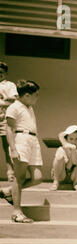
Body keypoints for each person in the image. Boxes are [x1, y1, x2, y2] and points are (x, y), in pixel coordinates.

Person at [0, 80, 42, 223]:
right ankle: (16, 212)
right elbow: (9, 129)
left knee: (37, 177)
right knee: (19, 177)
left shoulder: (29, 108)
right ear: (27, 95)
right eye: (36, 95)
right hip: (21, 140)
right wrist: (13, 149)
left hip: (32, 140)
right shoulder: (14, 107)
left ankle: (8, 191)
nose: (38, 97)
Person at [50, 125, 77, 191]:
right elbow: (67, 167)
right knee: (59, 157)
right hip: (62, 175)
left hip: (74, 175)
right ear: (66, 139)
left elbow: (75, 162)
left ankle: (75, 183)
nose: (74, 141)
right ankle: (56, 182)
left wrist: (73, 149)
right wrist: (67, 146)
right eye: (71, 139)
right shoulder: (61, 149)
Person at [0, 62, 18, 182]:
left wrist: (4, 102)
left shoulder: (9, 85)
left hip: (3, 118)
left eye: (1, 72)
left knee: (7, 146)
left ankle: (10, 172)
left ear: (5, 73)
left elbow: (14, 99)